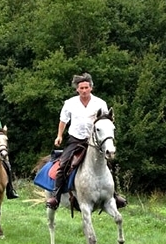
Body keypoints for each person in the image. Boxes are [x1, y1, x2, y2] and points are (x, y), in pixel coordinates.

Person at [46, 73, 127, 210]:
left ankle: (114, 194)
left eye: (86, 87)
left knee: (108, 164)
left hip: (95, 141)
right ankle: (56, 196)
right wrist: (59, 136)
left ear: (91, 88)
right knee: (63, 164)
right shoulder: (69, 103)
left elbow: (106, 121)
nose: (84, 90)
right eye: (81, 88)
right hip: (75, 139)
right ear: (77, 89)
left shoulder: (100, 103)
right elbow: (63, 121)